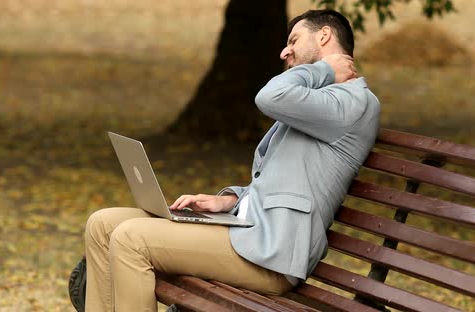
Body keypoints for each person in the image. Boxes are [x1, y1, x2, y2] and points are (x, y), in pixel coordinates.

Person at [82, 9, 380, 312]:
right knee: (102, 225)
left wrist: (325, 69)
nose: (284, 51)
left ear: (325, 35)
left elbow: (269, 97)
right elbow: (288, 176)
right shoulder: (315, 102)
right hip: (248, 231)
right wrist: (229, 201)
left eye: (293, 40)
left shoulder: (354, 102)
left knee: (132, 239)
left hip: (272, 254)